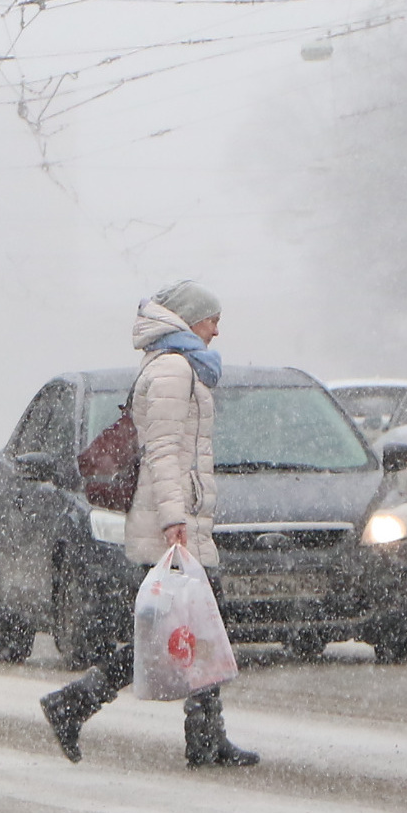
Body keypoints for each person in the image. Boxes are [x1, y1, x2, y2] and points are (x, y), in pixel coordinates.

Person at [40, 280, 258, 769]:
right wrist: (174, 520)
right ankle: (75, 704)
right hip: (173, 525)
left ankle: (204, 737)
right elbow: (162, 451)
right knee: (181, 634)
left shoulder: (180, 367)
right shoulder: (172, 370)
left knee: (200, 631)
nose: (217, 329)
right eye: (212, 319)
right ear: (187, 320)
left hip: (186, 520)